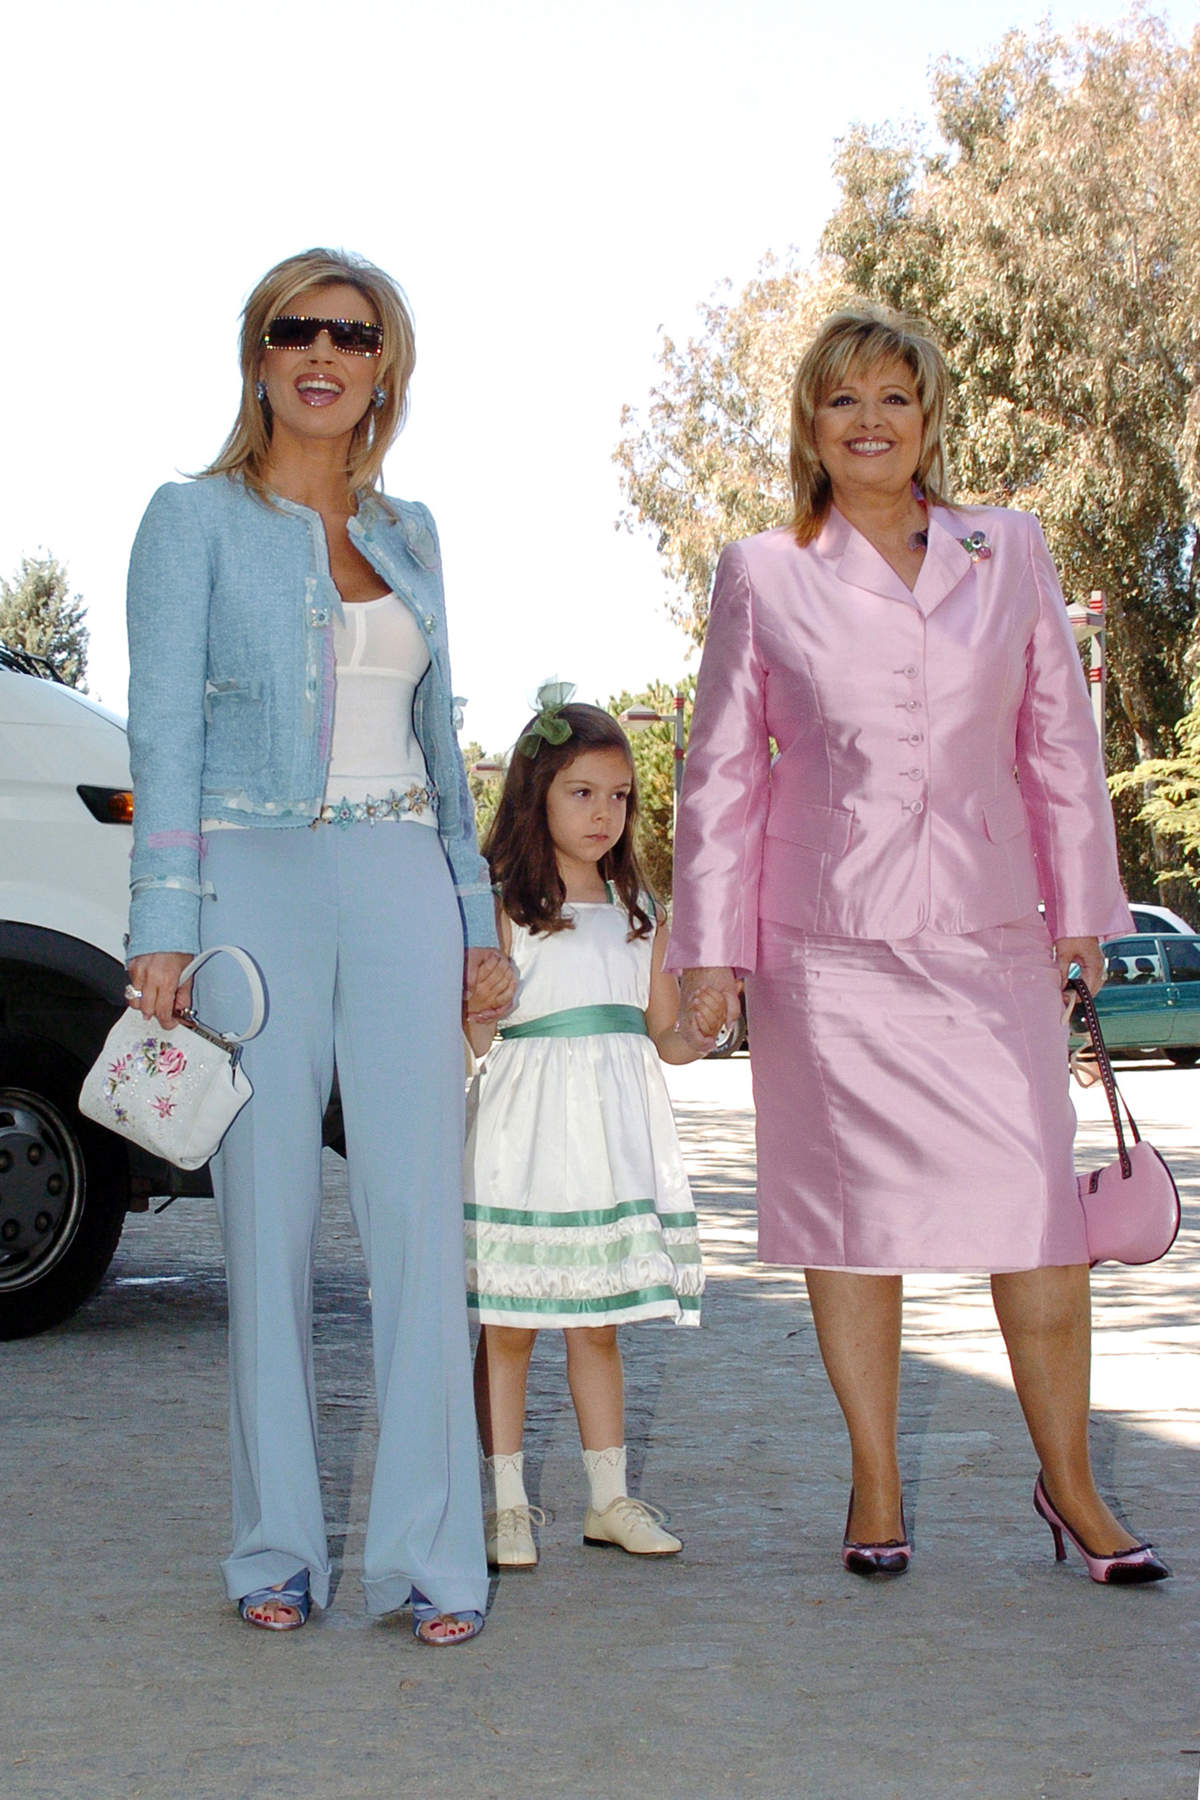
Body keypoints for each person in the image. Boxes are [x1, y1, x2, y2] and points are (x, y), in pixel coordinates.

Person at [667, 300, 1171, 1585]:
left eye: (895, 396)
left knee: (1040, 1215)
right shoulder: (762, 570)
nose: (871, 421)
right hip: (824, 954)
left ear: (931, 416)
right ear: (811, 427)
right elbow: (720, 771)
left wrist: (1084, 914)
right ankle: (876, 1480)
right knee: (850, 1222)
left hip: (993, 935)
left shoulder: (1011, 551)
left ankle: (1074, 1489)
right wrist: (713, 949)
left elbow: (1058, 738)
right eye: (844, 400)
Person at [124, 248, 515, 1641]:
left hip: (405, 869)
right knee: (269, 1224)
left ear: (383, 367)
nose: (323, 352)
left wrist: (477, 919)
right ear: (260, 353)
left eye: (352, 334)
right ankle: (276, 1551)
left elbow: (443, 742)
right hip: (252, 883)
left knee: (423, 1229)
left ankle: (432, 1564)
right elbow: (162, 733)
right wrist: (163, 926)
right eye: (296, 329)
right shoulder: (192, 520)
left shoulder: (412, 532)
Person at [463, 694, 720, 1569]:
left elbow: (666, 1037)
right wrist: (476, 1006)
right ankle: (503, 1504)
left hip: (608, 1146)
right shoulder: (500, 905)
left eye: (618, 796)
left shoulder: (637, 906)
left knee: (595, 1325)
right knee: (508, 1325)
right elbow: (474, 1039)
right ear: (536, 795)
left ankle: (608, 1499)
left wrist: (704, 1026)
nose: (603, 813)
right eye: (581, 792)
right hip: (524, 1139)